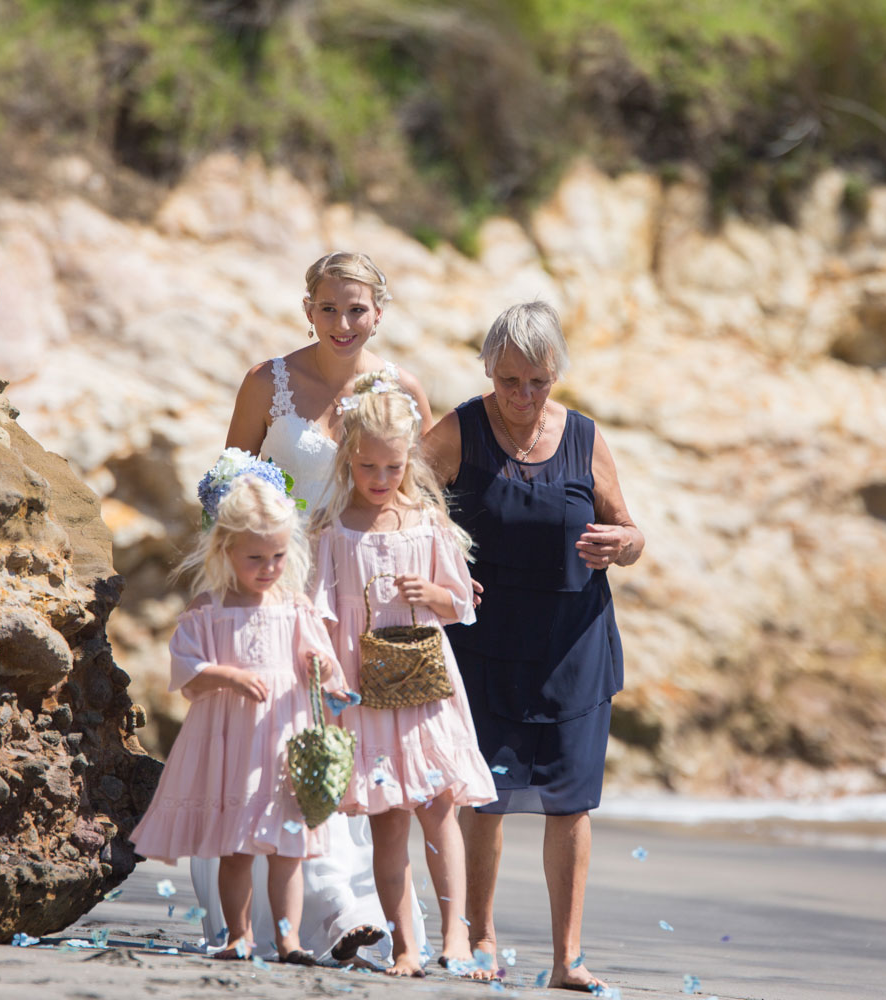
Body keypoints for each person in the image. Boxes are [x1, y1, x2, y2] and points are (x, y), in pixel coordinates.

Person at [191, 250, 432, 965]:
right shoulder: (268, 383)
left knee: (347, 752)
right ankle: (330, 912)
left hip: (361, 603)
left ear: (379, 314)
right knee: (282, 750)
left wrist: (441, 577)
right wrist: (226, 595)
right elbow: (226, 495)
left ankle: (350, 908)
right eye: (328, 308)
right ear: (308, 310)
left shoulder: (401, 389)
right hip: (276, 596)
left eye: (356, 310)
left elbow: (416, 500)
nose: (342, 323)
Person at [422, 301, 644, 993]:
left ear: (556, 375)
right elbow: (400, 505)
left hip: (574, 646)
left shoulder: (583, 437)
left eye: (537, 382)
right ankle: (480, 939)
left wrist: (625, 545)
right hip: (481, 647)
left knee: (571, 804)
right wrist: (439, 573)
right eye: (509, 380)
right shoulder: (459, 429)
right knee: (483, 799)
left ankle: (567, 959)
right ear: (488, 369)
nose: (521, 397)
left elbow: (629, 531)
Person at [310, 373, 496, 977]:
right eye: (368, 467)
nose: (381, 480)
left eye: (392, 468)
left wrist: (435, 593)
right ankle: (406, 947)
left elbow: (463, 607)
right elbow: (316, 613)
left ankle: (457, 939)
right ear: (348, 459)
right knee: (389, 827)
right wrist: (330, 672)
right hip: (366, 695)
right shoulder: (335, 532)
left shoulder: (427, 523)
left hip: (425, 691)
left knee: (440, 812)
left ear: (408, 461)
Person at [129, 460, 348, 965]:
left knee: (290, 846)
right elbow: (187, 670)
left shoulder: (293, 606)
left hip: (283, 740)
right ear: (225, 548)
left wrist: (320, 664)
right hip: (231, 742)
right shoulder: (209, 608)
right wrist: (227, 675)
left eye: (277, 555)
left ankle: (289, 940)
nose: (268, 567)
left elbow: (322, 661)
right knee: (237, 847)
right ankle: (238, 935)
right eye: (255, 558)